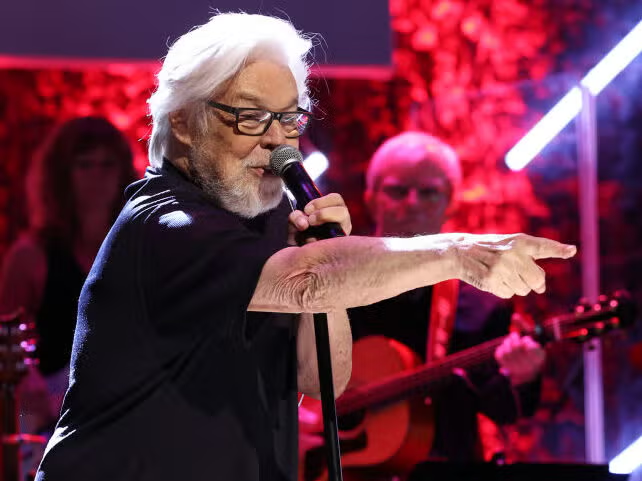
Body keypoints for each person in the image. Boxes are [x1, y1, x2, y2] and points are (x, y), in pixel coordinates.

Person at [33, 13, 574, 481]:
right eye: (250, 116)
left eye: (288, 118)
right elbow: (308, 280)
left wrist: (319, 253)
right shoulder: (166, 224)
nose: (276, 141)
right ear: (185, 123)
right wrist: (457, 252)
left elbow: (323, 380)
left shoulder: (268, 222)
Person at [339, 131, 547, 477]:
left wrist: (522, 377)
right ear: (371, 198)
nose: (412, 203)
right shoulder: (333, 282)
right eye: (397, 190)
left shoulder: (481, 301)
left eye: (429, 192)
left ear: (450, 202)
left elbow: (501, 407)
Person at [0, 116, 136, 434]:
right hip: (47, 422)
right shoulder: (31, 256)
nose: (98, 176)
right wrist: (29, 383)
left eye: (107, 164)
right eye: (85, 164)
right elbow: (5, 334)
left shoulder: (138, 251)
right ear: (61, 175)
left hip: (121, 420)